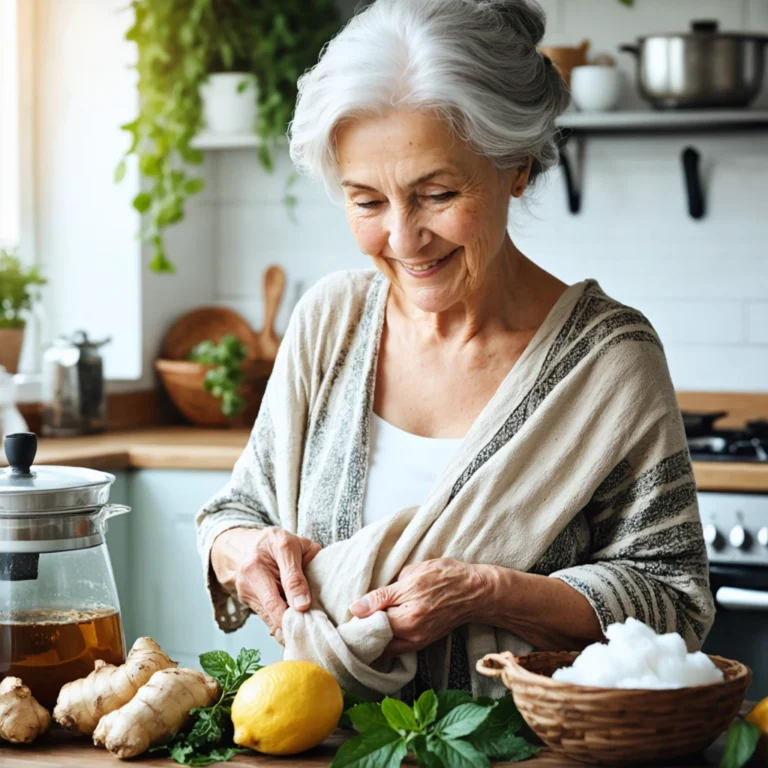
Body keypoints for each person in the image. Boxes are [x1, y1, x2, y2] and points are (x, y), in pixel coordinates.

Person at [196, 0, 714, 700]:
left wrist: (490, 594)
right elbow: (238, 511)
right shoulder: (331, 323)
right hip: (314, 740)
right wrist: (246, 553)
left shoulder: (609, 361)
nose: (405, 240)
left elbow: (674, 601)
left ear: (518, 166)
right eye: (367, 202)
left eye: (437, 194)